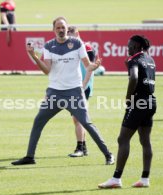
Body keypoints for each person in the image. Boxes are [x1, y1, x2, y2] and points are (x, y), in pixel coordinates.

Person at [11, 17, 114, 166]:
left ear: (67, 29)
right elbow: (46, 70)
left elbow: (87, 65)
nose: (61, 30)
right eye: (58, 27)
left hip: (74, 93)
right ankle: (30, 156)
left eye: (63, 27)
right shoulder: (48, 46)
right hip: (54, 93)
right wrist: (33, 56)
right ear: (53, 30)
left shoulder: (77, 43)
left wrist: (93, 67)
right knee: (38, 121)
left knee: (86, 123)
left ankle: (108, 154)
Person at [98, 35, 157, 189]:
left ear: (137, 46)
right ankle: (145, 179)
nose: (127, 48)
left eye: (130, 46)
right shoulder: (150, 60)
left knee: (122, 139)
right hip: (151, 102)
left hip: (138, 102)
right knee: (145, 141)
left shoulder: (134, 60)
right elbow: (144, 78)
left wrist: (128, 98)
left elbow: (134, 78)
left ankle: (116, 179)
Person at [66, 26, 95, 157]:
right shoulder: (71, 48)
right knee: (77, 119)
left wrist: (83, 86)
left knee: (78, 118)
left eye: (69, 34)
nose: (67, 37)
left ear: (77, 33)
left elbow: (90, 68)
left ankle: (80, 148)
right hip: (74, 87)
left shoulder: (86, 47)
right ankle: (83, 147)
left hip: (82, 87)